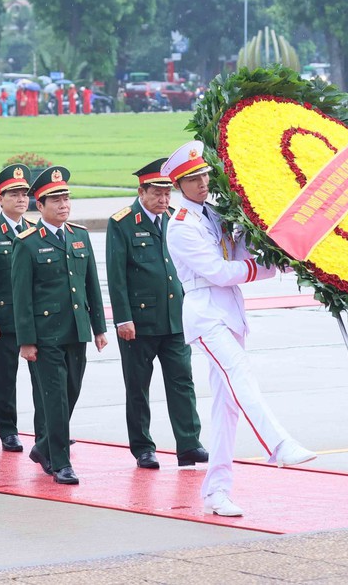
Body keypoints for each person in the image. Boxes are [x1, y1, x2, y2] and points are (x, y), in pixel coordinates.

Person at [163, 141, 316, 517]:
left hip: (230, 313)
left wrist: (282, 249)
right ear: (178, 185)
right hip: (205, 314)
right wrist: (270, 269)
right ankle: (277, 444)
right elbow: (219, 271)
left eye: (203, 176)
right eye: (192, 179)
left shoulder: (212, 214)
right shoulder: (181, 225)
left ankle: (217, 491)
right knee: (240, 373)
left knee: (226, 406)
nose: (201, 183)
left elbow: (242, 249)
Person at [106, 159, 207, 469]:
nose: (164, 200)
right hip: (139, 322)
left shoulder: (175, 219)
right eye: (157, 194)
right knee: (138, 387)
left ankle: (189, 444)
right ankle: (143, 448)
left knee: (182, 381)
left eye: (167, 193)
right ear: (142, 191)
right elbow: (117, 275)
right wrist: (123, 319)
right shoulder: (122, 222)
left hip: (175, 318)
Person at [11, 167, 107, 484]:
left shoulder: (78, 236)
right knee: (55, 398)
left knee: (72, 391)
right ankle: (61, 462)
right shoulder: (27, 243)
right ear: (40, 206)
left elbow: (91, 283)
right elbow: (21, 297)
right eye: (56, 200)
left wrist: (99, 327)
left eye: (66, 198)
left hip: (76, 329)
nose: (63, 205)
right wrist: (26, 341)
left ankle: (43, 447)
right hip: (46, 333)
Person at [0, 164, 41, 452]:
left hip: (32, 319)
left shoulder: (35, 231)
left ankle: (48, 430)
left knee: (42, 379)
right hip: (1, 320)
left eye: (24, 194)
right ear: (0, 199)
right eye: (13, 194)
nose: (21, 199)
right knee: (5, 377)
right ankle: (8, 431)